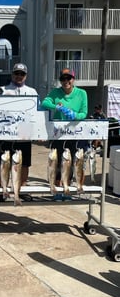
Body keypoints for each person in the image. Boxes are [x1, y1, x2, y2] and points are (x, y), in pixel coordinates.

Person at [41, 68, 88, 200]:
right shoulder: (56, 92)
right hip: (58, 134)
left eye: (69, 78)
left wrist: (75, 115)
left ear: (73, 79)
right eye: (63, 79)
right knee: (55, 163)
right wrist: (56, 106)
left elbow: (84, 113)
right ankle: (57, 190)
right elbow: (45, 102)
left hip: (74, 134)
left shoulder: (82, 93)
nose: (66, 81)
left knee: (72, 162)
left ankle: (67, 188)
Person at [0, 63, 38, 201]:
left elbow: (37, 113)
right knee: (4, 163)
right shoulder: (2, 90)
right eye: (16, 73)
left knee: (24, 163)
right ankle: (3, 190)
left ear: (26, 76)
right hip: (5, 131)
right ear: (12, 74)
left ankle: (22, 189)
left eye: (22, 74)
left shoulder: (32, 91)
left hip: (24, 130)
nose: (19, 76)